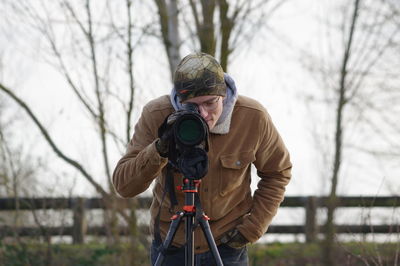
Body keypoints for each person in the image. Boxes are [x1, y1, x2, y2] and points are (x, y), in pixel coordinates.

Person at [112, 52, 292, 266]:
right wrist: (160, 149)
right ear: (179, 100)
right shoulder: (157, 114)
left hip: (226, 247)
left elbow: (278, 173)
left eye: (210, 103)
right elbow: (124, 186)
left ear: (223, 95)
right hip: (172, 244)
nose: (204, 114)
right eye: (194, 106)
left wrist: (251, 229)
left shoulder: (252, 117)